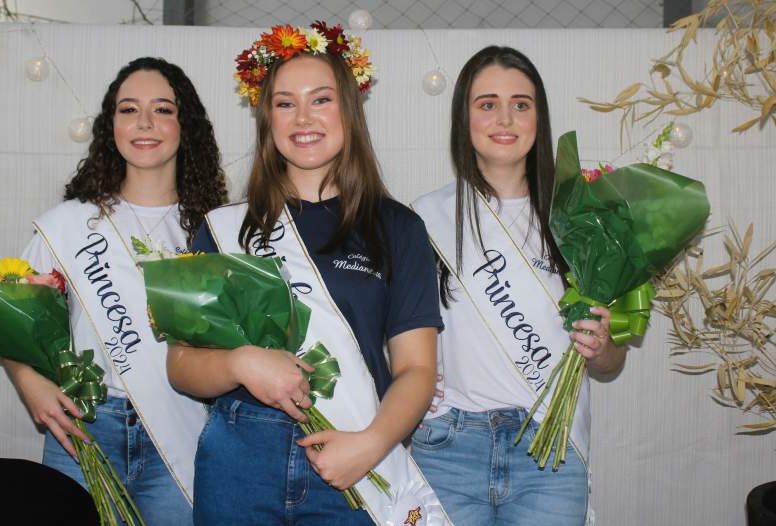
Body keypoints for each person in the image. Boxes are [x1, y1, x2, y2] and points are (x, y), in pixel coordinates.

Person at [166, 23, 449, 525]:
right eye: (284, 103)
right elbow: (182, 365)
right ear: (266, 118)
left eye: (320, 100)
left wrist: (372, 445)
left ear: (349, 111)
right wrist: (240, 364)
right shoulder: (226, 228)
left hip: (354, 450)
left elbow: (416, 370)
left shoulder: (398, 228)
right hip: (239, 460)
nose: (303, 118)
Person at [3, 56, 226, 525]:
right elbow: (9, 316)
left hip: (184, 430)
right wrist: (30, 383)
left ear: (186, 125)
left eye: (162, 109)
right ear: (111, 126)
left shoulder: (217, 231)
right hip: (85, 429)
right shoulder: (68, 225)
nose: (145, 123)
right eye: (129, 109)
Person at [411, 45, 626, 525]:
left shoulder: (581, 219)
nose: (504, 118)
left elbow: (611, 363)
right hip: (448, 447)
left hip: (550, 451)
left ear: (539, 117)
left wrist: (604, 344)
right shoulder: (424, 219)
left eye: (521, 104)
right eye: (487, 104)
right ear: (463, 118)